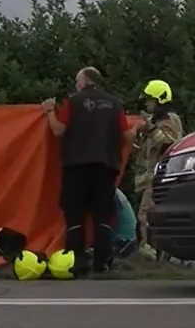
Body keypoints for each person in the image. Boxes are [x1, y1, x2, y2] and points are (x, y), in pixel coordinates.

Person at [42, 66, 125, 277]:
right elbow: (126, 136)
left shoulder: (73, 102)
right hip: (106, 167)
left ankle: (76, 261)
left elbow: (58, 130)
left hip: (76, 167)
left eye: (77, 80)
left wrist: (50, 111)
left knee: (75, 215)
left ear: (85, 80)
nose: (76, 84)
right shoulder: (115, 104)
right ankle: (102, 262)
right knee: (102, 215)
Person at [131, 78, 184, 255]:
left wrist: (151, 129)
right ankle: (151, 251)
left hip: (160, 176)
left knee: (146, 216)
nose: (146, 103)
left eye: (149, 100)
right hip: (147, 177)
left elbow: (171, 143)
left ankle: (151, 252)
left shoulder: (170, 119)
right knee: (146, 214)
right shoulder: (154, 120)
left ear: (159, 100)